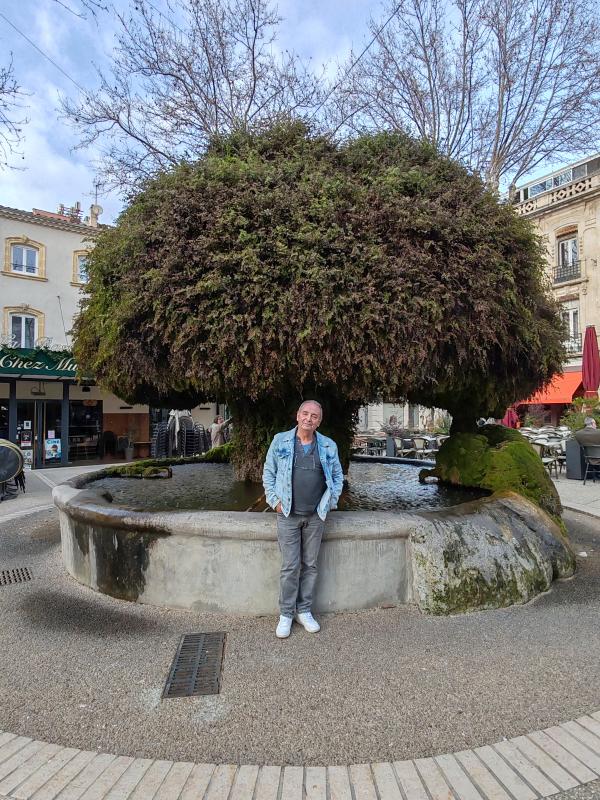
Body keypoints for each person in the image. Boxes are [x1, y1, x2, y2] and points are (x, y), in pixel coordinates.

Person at [262, 400, 343, 639]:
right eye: (305, 414)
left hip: (315, 516)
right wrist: (274, 501)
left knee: (310, 565)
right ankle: (286, 614)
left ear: (320, 421)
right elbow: (269, 472)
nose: (309, 419)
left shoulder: (328, 446)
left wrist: (329, 503)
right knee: (290, 566)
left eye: (314, 416)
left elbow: (338, 477)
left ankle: (304, 610)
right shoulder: (280, 441)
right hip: (287, 514)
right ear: (297, 416)